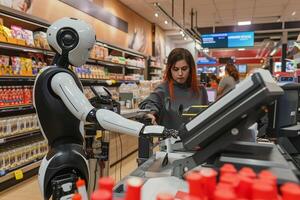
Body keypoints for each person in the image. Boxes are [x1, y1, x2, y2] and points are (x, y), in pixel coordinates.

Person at [139, 48, 208, 130]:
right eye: (175, 69)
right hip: (170, 141)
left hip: (197, 139)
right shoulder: (164, 89)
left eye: (184, 69)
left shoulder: (201, 90)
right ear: (169, 70)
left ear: (191, 69)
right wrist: (150, 113)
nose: (180, 73)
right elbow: (149, 103)